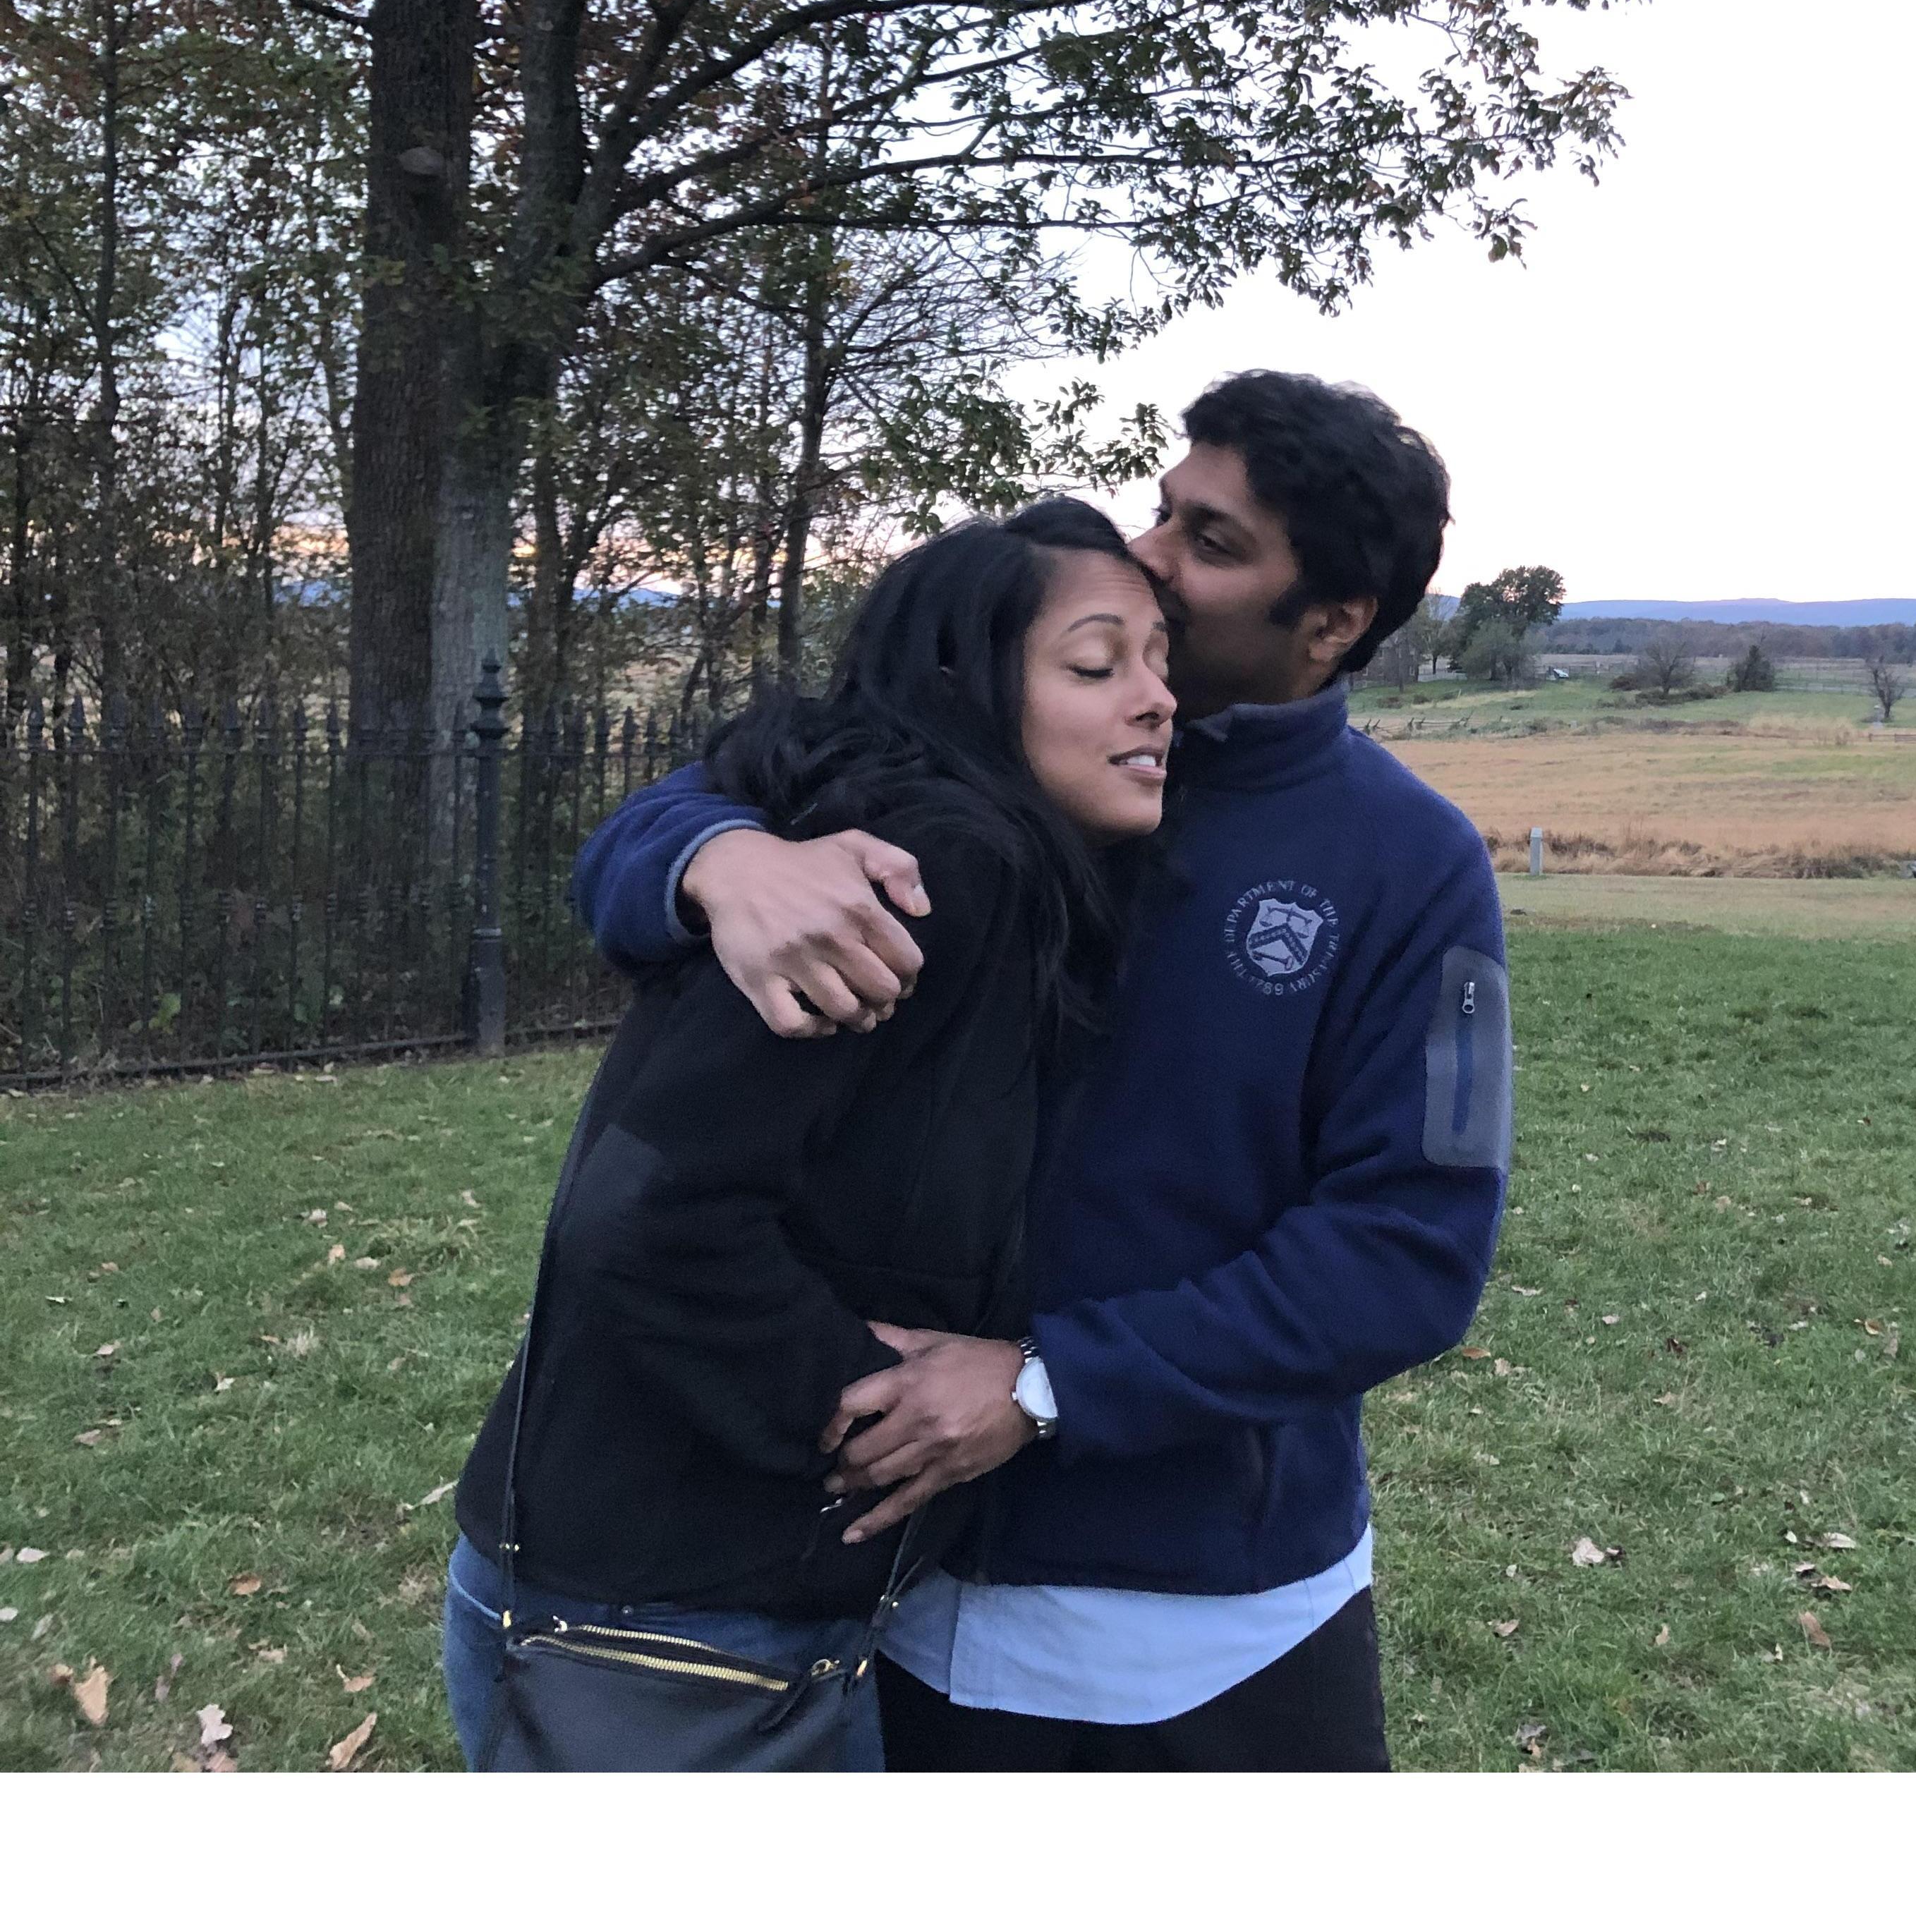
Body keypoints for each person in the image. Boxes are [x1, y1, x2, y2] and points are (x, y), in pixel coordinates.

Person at [570, 371, 1512, 1770]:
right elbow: (683, 811)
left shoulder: (1410, 868)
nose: (1148, 557)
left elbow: (1406, 1254)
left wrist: (1045, 1386)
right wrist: (715, 860)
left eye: (1215, 543)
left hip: (1208, 1630)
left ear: (1333, 624)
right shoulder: (1006, 749)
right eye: (1165, 510)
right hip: (874, 1595)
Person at [442, 499, 1172, 1770]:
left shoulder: (963, 851)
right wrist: (879, 1414)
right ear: (965, 682)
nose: (1157, 699)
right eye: (1098, 664)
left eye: (1164, 662)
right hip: (662, 1636)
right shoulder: (923, 872)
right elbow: (648, 1214)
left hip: (713, 1613)